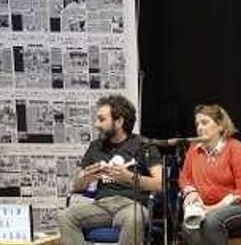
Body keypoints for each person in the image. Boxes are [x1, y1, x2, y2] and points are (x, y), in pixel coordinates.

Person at [59, 95, 163, 245]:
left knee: (133, 218)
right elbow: (77, 187)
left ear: (119, 121)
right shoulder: (95, 147)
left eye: (102, 119)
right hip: (102, 205)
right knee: (66, 216)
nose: (96, 124)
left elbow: (160, 184)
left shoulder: (143, 146)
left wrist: (129, 177)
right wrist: (87, 177)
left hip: (132, 205)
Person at [179, 104, 241, 245]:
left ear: (220, 126)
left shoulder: (235, 148)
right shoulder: (194, 149)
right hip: (206, 207)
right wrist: (191, 193)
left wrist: (212, 208)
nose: (199, 127)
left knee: (212, 221)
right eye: (197, 124)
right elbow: (184, 177)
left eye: (205, 122)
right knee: (189, 226)